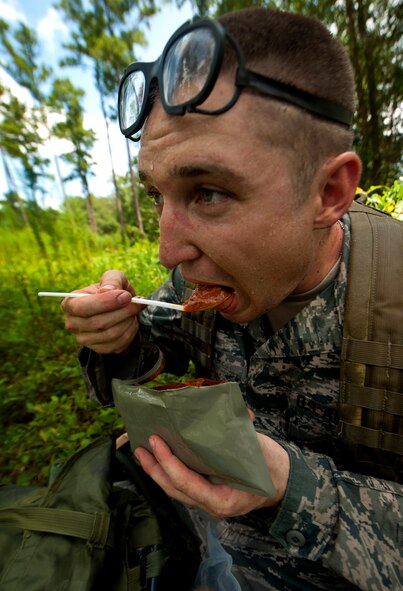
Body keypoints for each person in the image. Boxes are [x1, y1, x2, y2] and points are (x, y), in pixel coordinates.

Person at [62, 7, 402, 591]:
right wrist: (119, 340)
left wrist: (286, 485)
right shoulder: (199, 284)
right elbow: (151, 362)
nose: (168, 252)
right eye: (158, 196)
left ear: (329, 192)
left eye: (210, 193)